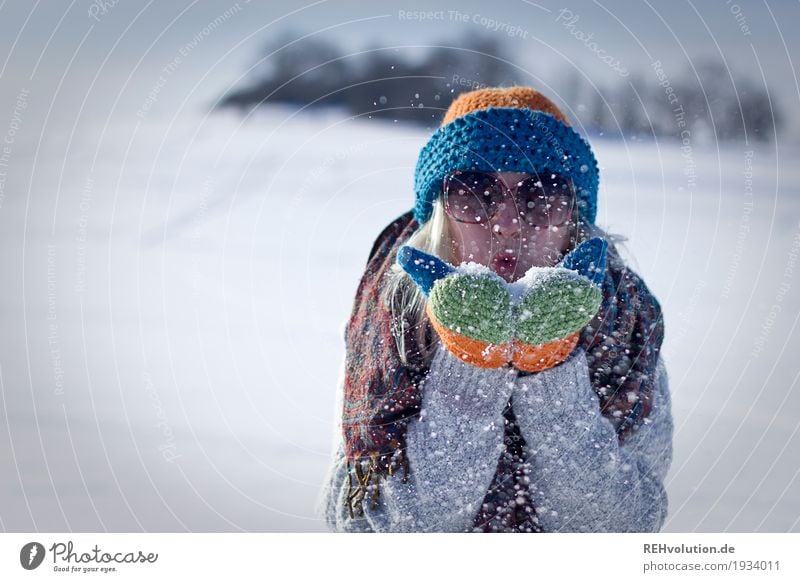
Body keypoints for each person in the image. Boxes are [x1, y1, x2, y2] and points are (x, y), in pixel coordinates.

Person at [318, 86, 672, 532]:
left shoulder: (624, 327)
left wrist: (553, 373)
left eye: (540, 196)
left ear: (574, 221)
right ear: (440, 216)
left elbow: (627, 528)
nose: (507, 225)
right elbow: (363, 530)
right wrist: (471, 367)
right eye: (474, 193)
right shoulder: (391, 326)